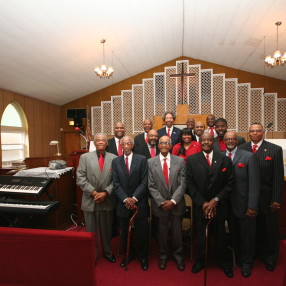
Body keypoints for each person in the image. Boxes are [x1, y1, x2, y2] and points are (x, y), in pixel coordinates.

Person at [186, 133, 235, 278]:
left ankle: (224, 262)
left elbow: (230, 183)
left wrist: (216, 200)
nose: (206, 142)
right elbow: (190, 184)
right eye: (203, 140)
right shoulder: (191, 160)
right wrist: (203, 203)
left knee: (220, 236)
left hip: (219, 206)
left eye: (209, 140)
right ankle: (201, 261)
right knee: (201, 237)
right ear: (199, 142)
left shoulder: (224, 159)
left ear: (213, 142)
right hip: (201, 205)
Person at [239, 123, 284, 272]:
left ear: (263, 132)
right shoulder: (242, 148)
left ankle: (270, 257)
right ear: (248, 133)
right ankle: (253, 254)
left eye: (258, 131)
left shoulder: (274, 150)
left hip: (267, 198)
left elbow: (278, 177)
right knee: (251, 230)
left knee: (269, 229)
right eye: (252, 131)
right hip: (248, 198)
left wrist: (276, 199)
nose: (255, 133)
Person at [224, 131, 260, 278]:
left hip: (244, 204)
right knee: (233, 235)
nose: (230, 141)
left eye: (233, 139)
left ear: (237, 141)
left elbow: (254, 184)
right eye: (228, 139)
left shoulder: (248, 157)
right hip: (225, 205)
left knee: (246, 236)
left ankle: (246, 263)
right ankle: (235, 259)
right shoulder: (219, 156)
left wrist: (252, 206)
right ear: (224, 141)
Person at [76, 133, 117, 263]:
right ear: (94, 143)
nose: (100, 142)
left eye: (103, 140)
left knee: (106, 230)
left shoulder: (114, 158)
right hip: (90, 199)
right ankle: (92, 254)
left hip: (107, 198)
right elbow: (80, 178)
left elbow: (116, 180)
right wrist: (94, 192)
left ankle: (107, 252)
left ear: (107, 143)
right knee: (91, 231)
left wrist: (105, 193)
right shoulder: (85, 158)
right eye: (98, 140)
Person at [148, 136, 186, 271]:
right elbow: (150, 185)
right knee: (162, 232)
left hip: (176, 204)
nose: (164, 145)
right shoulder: (150, 162)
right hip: (160, 204)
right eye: (161, 143)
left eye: (167, 143)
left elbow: (183, 184)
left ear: (171, 146)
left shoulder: (180, 161)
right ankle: (163, 255)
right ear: (158, 145)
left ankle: (178, 256)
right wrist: (162, 201)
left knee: (177, 232)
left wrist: (173, 201)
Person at [112, 136, 150, 271]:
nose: (126, 145)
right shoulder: (116, 162)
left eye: (129, 143)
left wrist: (134, 198)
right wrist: (125, 199)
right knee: (124, 232)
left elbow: (145, 182)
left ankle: (143, 257)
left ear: (132, 145)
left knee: (142, 232)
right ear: (121, 145)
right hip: (123, 203)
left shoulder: (142, 160)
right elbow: (116, 184)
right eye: (124, 143)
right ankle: (128, 254)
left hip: (139, 203)